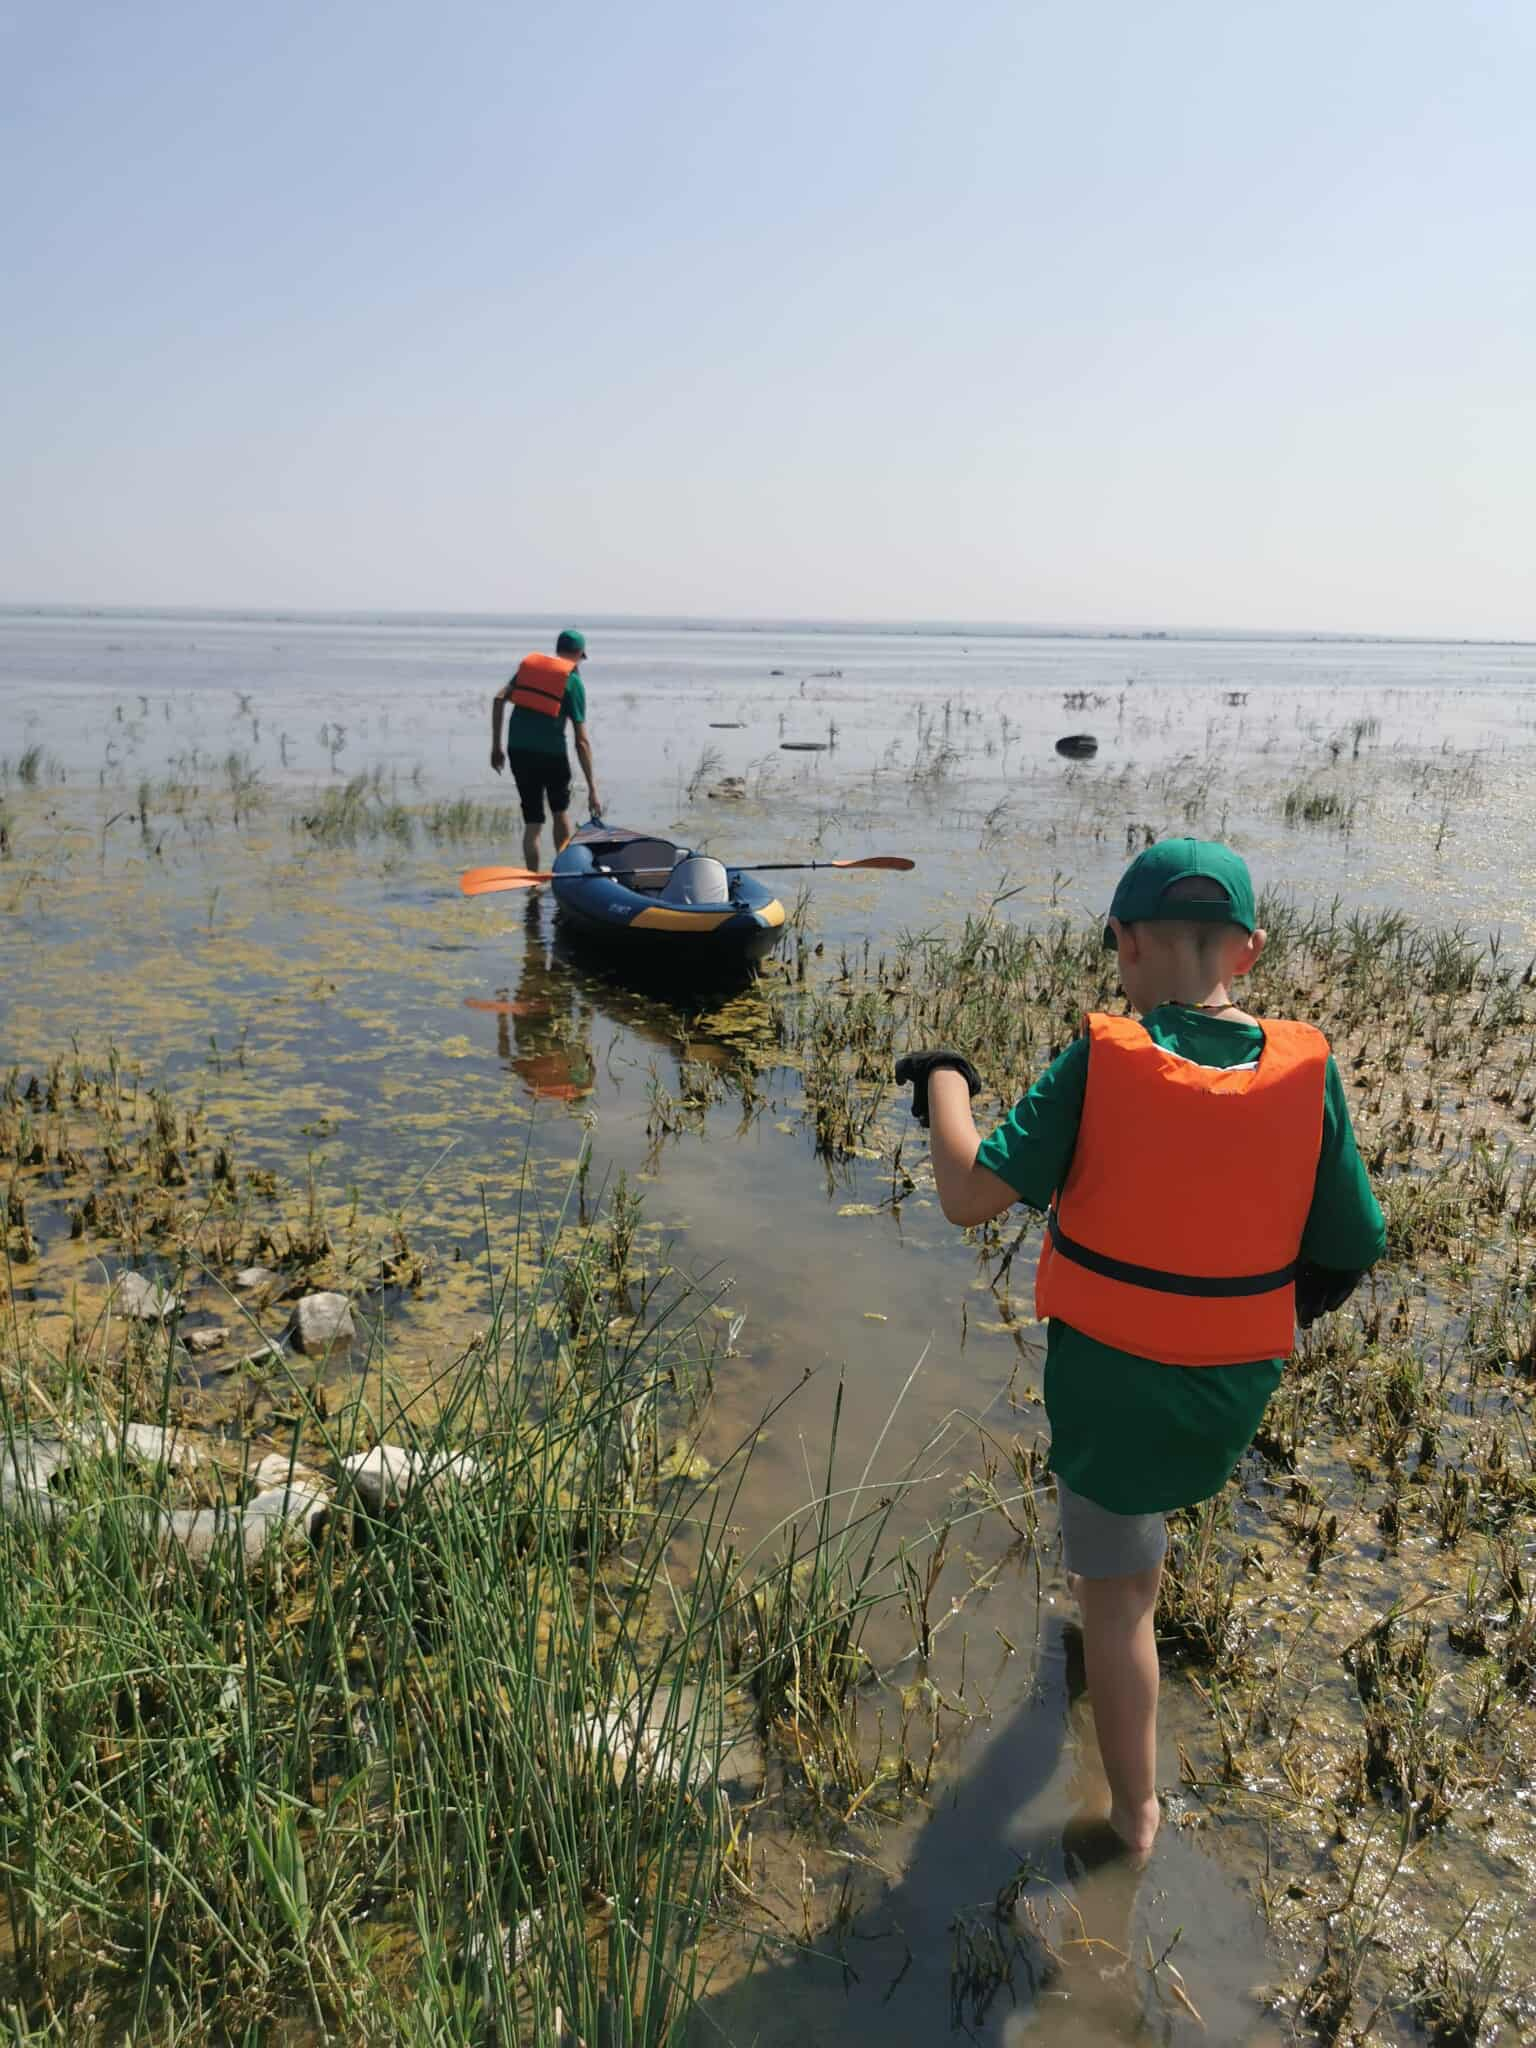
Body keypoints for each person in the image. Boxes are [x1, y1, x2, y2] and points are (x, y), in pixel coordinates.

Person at [895, 838, 1385, 1862]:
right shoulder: (1308, 1069)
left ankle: (1133, 1815)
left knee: (1118, 1604)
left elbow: (966, 1192)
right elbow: (1353, 1240)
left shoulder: (1103, 1053)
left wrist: (945, 1078)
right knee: (1139, 1540)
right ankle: (1122, 1620)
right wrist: (1256, 1317)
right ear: (1245, 951)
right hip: (1232, 1385)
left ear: (1124, 942)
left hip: (1112, 1382)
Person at [490, 628, 602, 869]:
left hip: (518, 752)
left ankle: (533, 885)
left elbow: (499, 699)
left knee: (532, 822)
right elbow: (581, 741)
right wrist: (593, 788)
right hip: (552, 755)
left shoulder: (528, 671)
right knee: (560, 813)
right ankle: (563, 875)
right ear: (579, 654)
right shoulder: (572, 682)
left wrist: (496, 747)